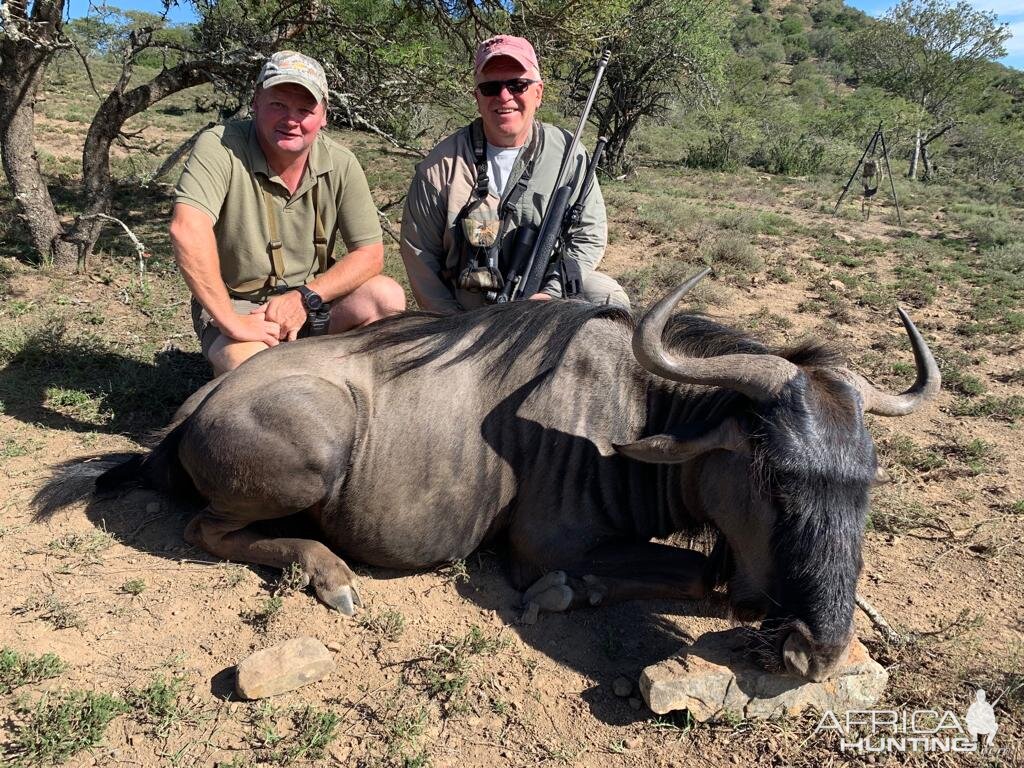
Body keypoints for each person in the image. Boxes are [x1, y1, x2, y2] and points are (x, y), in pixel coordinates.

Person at [171, 50, 406, 376]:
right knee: (258, 372)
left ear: (324, 115)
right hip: (243, 306)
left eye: (305, 109)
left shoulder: (342, 163)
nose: (291, 120)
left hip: (312, 305)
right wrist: (232, 323)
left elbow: (370, 254)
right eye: (278, 104)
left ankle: (350, 389)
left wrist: (305, 297)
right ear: (256, 102)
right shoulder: (220, 146)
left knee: (386, 296)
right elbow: (187, 230)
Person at [400, 35, 629, 313]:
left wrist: (549, 294)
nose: (504, 96)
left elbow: (588, 235)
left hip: (544, 302)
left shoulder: (569, 153)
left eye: (517, 85)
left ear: (538, 92)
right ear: (477, 97)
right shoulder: (439, 166)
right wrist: (452, 331)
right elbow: (419, 257)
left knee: (607, 297)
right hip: (466, 312)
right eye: (491, 88)